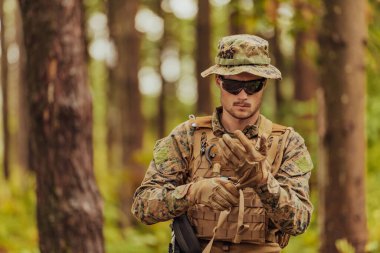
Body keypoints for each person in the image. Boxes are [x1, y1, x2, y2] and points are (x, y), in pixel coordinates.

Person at [131, 34, 313, 253]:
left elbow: (299, 221)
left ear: (264, 84)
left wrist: (264, 183)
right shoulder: (187, 137)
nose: (243, 95)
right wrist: (193, 193)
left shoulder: (288, 143)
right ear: (218, 80)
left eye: (253, 85)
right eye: (233, 85)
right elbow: (142, 206)